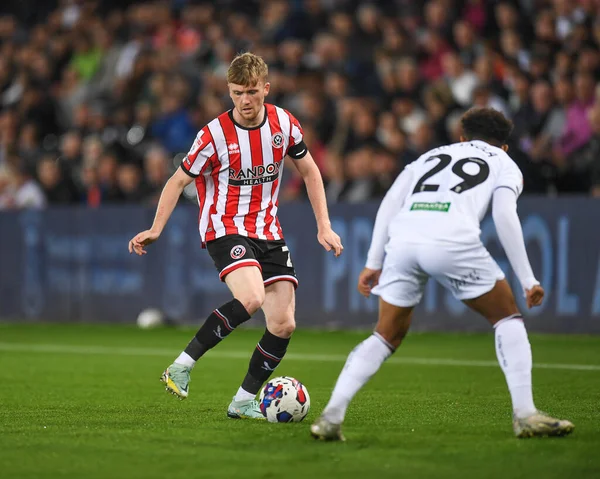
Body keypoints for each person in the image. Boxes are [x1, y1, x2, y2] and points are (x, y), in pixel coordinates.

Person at [310, 107, 574, 440]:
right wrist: (528, 279)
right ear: (504, 145)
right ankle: (525, 414)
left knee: (384, 334)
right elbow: (505, 215)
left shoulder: (431, 155)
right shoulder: (504, 163)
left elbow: (390, 202)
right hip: (452, 239)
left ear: (462, 137)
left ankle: (331, 418)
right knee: (508, 318)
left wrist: (373, 261)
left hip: (404, 240)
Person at [128, 52, 342, 419]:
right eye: (238, 92)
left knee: (284, 323)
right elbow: (178, 180)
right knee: (252, 297)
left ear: (266, 89)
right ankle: (181, 365)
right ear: (229, 91)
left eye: (253, 92)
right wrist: (156, 228)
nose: (245, 100)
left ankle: (243, 400)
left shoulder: (284, 124)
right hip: (224, 227)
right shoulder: (213, 136)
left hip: (268, 230)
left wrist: (324, 224)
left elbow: (310, 172)